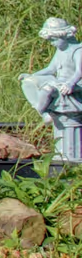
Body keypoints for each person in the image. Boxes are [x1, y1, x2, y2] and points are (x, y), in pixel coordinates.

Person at [20, 16, 82, 163]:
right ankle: (44, 112)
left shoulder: (78, 50)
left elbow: (79, 72)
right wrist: (32, 76)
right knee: (28, 83)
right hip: (60, 82)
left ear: (64, 36)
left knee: (48, 89)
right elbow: (50, 69)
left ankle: (43, 112)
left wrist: (70, 84)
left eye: (54, 40)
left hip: (75, 85)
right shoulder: (60, 49)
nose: (52, 44)